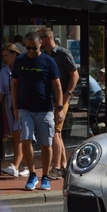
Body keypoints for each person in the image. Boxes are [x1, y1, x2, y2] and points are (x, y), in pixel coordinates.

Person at [11, 30, 63, 191]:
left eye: (34, 48)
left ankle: (45, 176)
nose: (31, 51)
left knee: (46, 143)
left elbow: (57, 85)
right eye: (28, 48)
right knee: (25, 140)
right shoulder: (20, 61)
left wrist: (59, 108)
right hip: (25, 108)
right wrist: (15, 107)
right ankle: (32, 174)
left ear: (40, 44)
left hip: (45, 108)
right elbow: (14, 85)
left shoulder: (48, 61)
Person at [38, 28, 79, 180]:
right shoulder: (43, 55)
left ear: (47, 39)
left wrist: (67, 94)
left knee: (55, 132)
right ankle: (62, 166)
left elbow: (74, 74)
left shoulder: (62, 53)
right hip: (50, 98)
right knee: (58, 133)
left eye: (40, 38)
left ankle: (56, 167)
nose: (38, 41)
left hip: (61, 99)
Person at [0, 43, 28, 178]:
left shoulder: (23, 68)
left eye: (7, 55)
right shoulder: (4, 71)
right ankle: (27, 165)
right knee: (17, 135)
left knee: (19, 134)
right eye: (3, 56)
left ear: (15, 54)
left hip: (23, 104)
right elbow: (0, 89)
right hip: (9, 105)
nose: (5, 58)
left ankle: (16, 166)